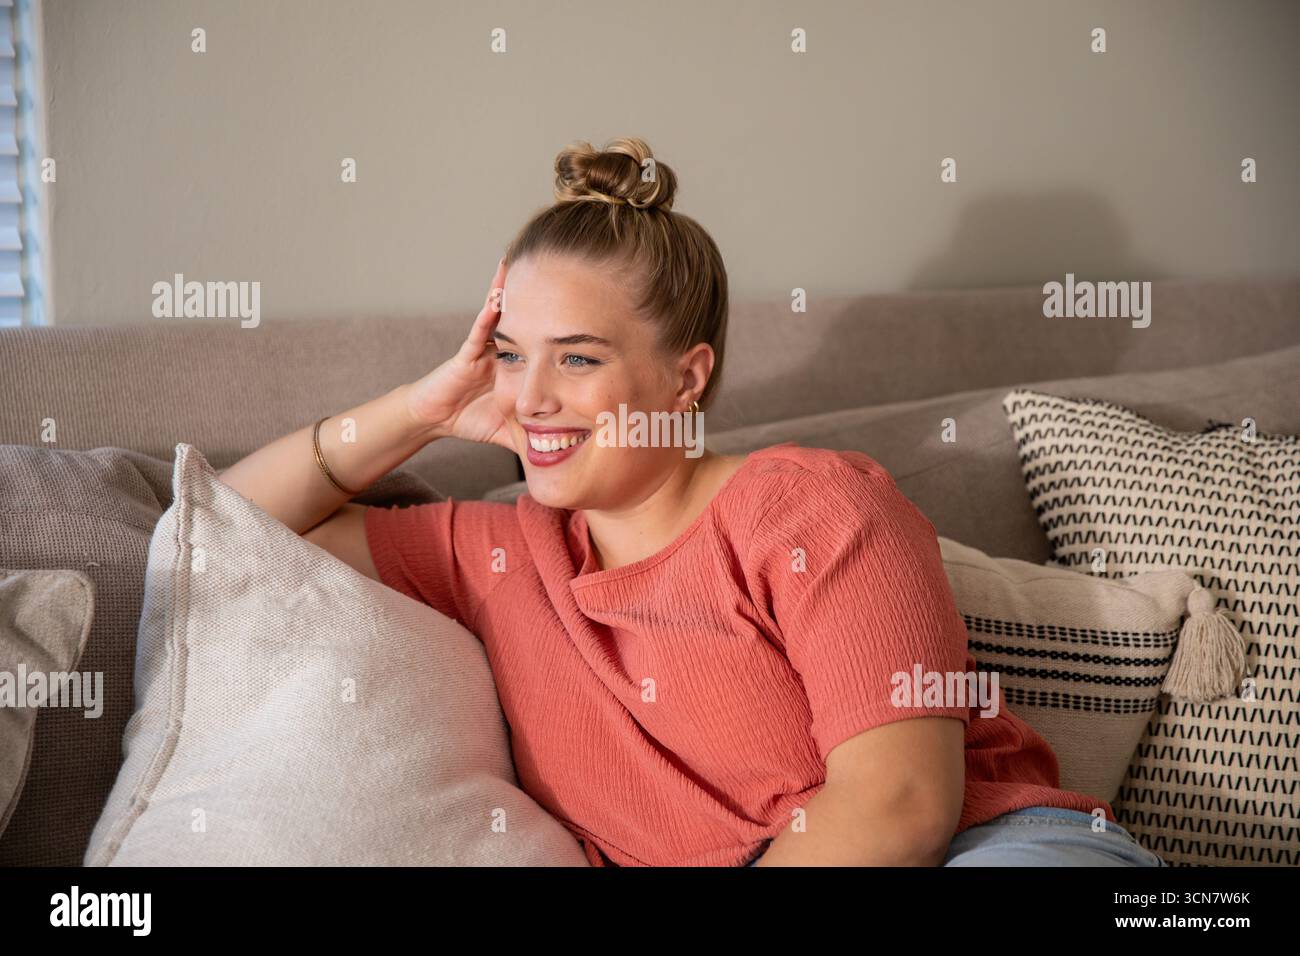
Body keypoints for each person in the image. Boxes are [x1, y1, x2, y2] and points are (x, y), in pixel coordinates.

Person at [217, 136, 1163, 868]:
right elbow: (225, 527)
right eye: (511, 354)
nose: (532, 395)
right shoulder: (499, 554)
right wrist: (419, 410)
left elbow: (901, 808)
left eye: (577, 357)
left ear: (685, 378)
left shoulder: (810, 510)